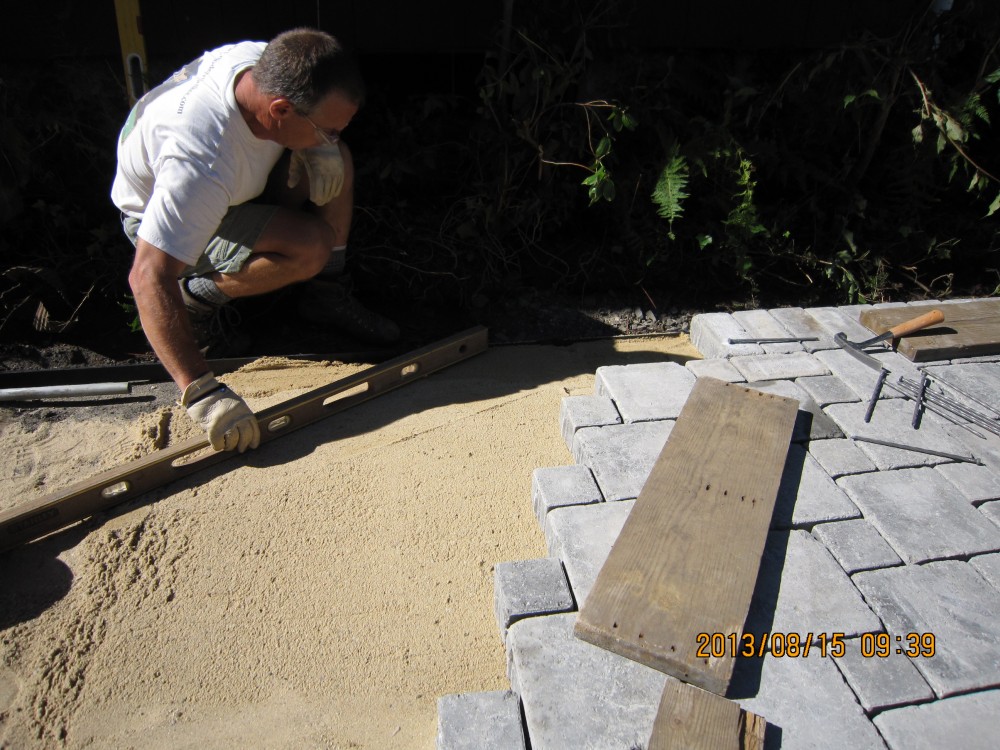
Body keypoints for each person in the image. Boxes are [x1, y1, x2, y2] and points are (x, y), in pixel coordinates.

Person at [112, 28, 398, 454]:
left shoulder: (261, 63)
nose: (333, 137)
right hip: (170, 215)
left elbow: (312, 129)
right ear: (280, 110)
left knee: (338, 162)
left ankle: (326, 295)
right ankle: (198, 300)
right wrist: (202, 392)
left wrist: (321, 148)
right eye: (328, 130)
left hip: (237, 181)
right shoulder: (200, 165)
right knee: (310, 246)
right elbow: (149, 275)